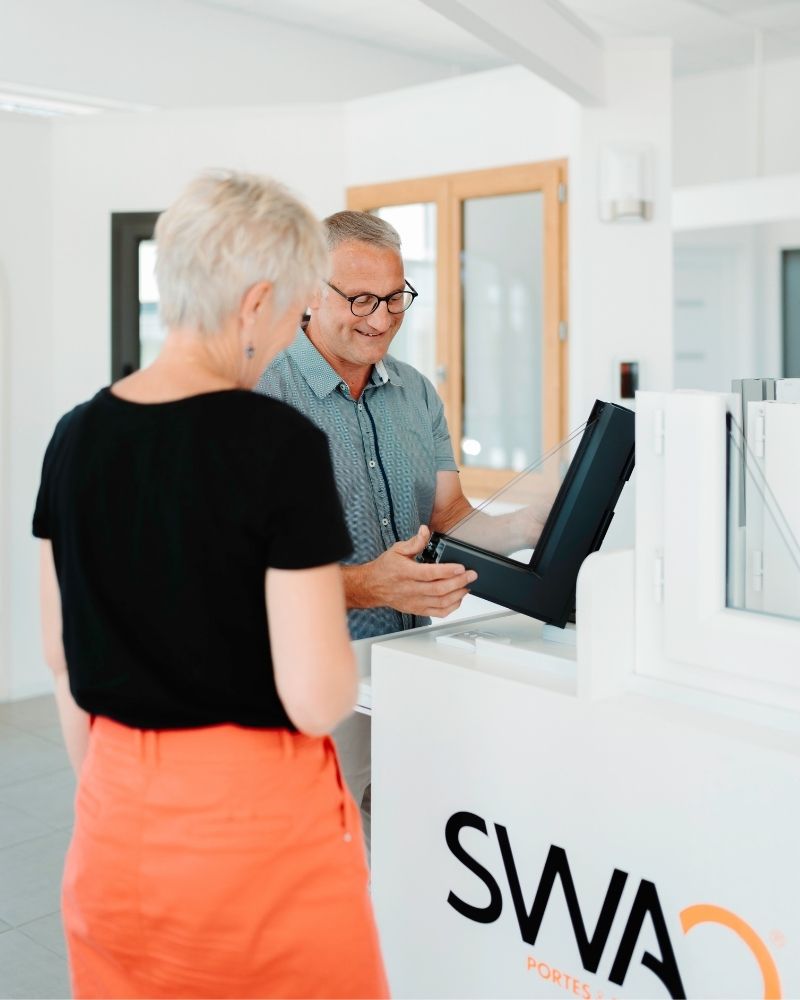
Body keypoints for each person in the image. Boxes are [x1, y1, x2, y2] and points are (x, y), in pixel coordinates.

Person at [33, 173, 388, 999]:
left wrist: (123, 797)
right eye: (293, 310)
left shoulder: (74, 437)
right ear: (256, 302)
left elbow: (59, 657)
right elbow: (313, 698)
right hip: (254, 835)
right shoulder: (277, 443)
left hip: (113, 819)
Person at [256, 210, 546, 849]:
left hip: (409, 671)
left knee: (406, 856)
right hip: (301, 687)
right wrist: (368, 585)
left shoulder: (416, 393)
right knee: (318, 865)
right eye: (359, 298)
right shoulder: (259, 395)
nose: (382, 318)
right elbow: (239, 572)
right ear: (310, 289)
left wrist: (528, 524)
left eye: (395, 298)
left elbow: (449, 519)